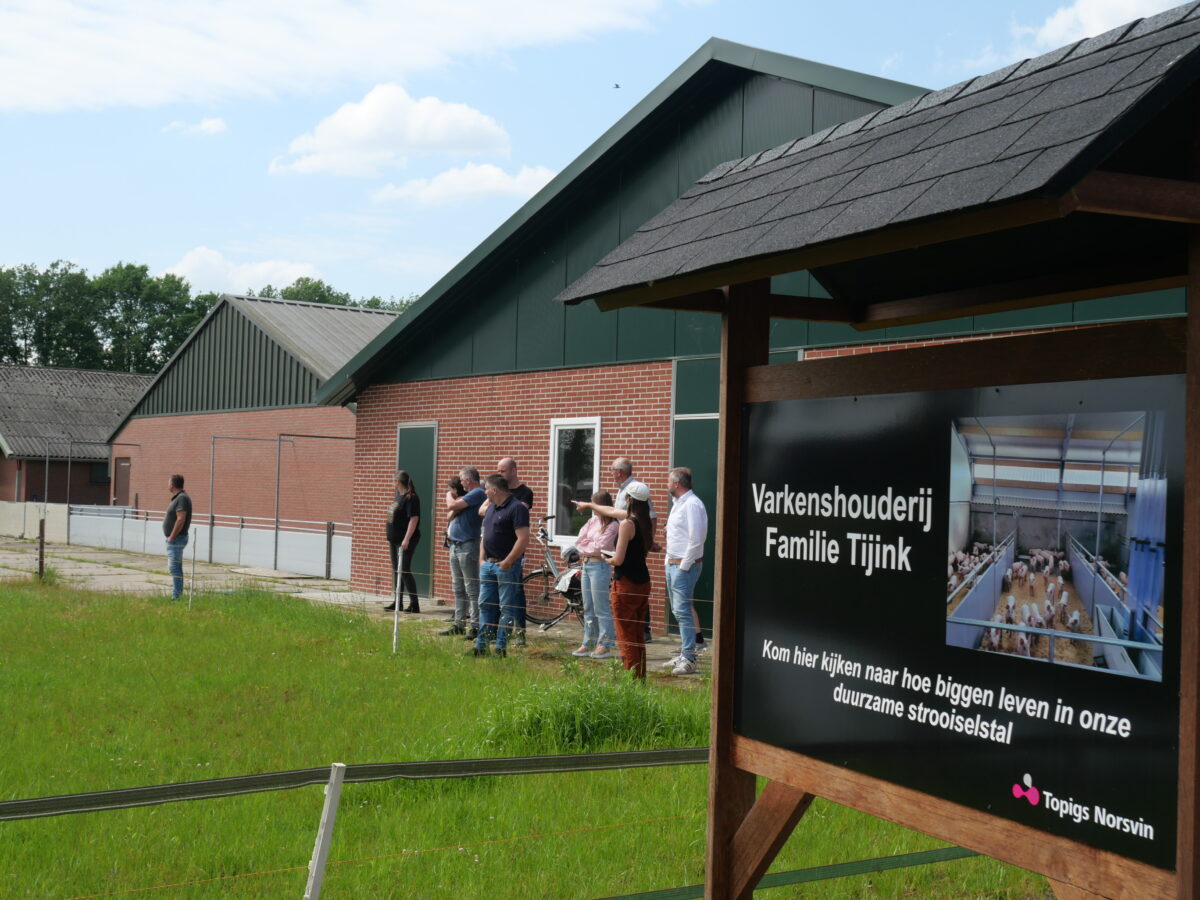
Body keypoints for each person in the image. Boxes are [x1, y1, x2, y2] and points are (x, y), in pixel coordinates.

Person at [575, 457, 658, 642]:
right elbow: (612, 512)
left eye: (612, 469)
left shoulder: (632, 500)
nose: (610, 472)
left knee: (624, 597)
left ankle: (637, 632)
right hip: (627, 546)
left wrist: (647, 542)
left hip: (628, 547)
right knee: (633, 590)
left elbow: (647, 517)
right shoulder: (626, 497)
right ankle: (634, 634)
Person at [473, 474, 529, 657]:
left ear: (495, 490)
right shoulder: (490, 509)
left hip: (506, 566)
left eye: (487, 489)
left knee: (506, 607)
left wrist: (509, 561)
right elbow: (484, 536)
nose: (485, 493)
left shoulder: (517, 508)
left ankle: (500, 646)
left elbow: (523, 539)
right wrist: (482, 559)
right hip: (488, 565)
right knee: (485, 604)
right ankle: (481, 646)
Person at [661, 467, 707, 675]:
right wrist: (669, 562)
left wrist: (683, 565)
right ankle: (684, 653)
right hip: (673, 564)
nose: (667, 485)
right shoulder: (678, 504)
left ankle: (689, 658)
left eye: (669, 481)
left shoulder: (692, 504)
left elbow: (696, 539)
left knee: (683, 611)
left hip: (683, 566)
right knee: (679, 611)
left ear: (677, 484)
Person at [606, 482, 653, 678]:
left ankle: (632, 681)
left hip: (626, 582)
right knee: (636, 634)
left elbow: (619, 559)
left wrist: (605, 558)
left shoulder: (627, 524)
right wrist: (591, 506)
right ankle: (640, 678)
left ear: (628, 500)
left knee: (625, 635)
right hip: (643, 581)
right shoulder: (646, 523)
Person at [571, 490, 618, 659]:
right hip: (587, 565)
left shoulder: (613, 525)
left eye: (594, 504)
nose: (592, 508)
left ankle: (605, 643)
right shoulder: (592, 521)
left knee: (601, 606)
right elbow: (579, 540)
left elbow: (600, 547)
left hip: (600, 566)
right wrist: (588, 547)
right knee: (588, 606)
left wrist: (588, 547)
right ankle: (589, 640)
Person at [442, 467, 485, 637]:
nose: (460, 483)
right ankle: (459, 624)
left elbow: (451, 506)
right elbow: (450, 514)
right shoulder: (467, 497)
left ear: (469, 480)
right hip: (455, 545)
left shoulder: (477, 494)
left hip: (468, 545)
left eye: (461, 479)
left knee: (471, 587)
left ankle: (475, 625)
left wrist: (448, 493)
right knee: (458, 587)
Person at [496, 456, 533, 645]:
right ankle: (501, 631)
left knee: (516, 592)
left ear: (513, 470)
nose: (499, 474)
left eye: (502, 471)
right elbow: (483, 511)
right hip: (495, 551)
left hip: (515, 550)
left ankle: (520, 632)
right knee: (498, 593)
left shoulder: (525, 492)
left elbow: (518, 512)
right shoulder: (497, 491)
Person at [384, 471, 421, 613]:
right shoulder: (399, 497)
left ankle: (414, 604)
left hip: (405, 541)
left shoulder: (411, 498)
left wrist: (406, 539)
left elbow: (414, 519)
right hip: (394, 540)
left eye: (393, 481)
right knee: (396, 570)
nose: (392, 484)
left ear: (398, 482)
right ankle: (397, 602)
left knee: (404, 569)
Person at [163, 474, 192, 600]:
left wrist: (172, 537)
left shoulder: (181, 498)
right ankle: (178, 595)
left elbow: (180, 519)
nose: (167, 484)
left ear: (172, 484)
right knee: (176, 567)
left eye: (168, 482)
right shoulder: (179, 498)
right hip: (175, 538)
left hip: (176, 539)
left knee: (174, 568)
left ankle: (176, 596)